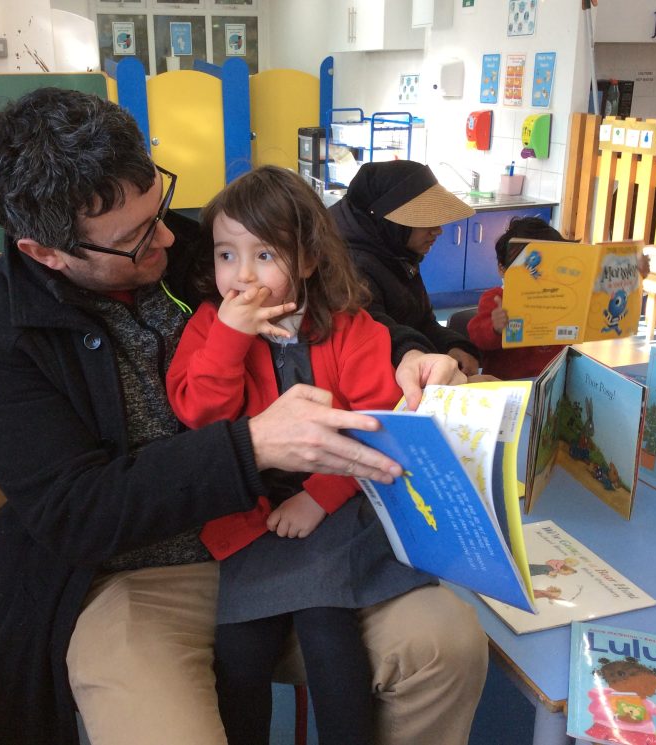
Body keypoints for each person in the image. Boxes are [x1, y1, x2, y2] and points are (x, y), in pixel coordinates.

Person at [0, 87, 488, 745]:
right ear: (46, 252)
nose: (168, 237)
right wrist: (251, 447)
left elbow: (334, 311)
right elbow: (76, 512)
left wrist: (412, 353)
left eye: (159, 206)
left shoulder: (205, 245)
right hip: (136, 577)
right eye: (135, 237)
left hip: (291, 534)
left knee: (448, 644)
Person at [166, 165, 438, 745]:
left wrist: (319, 498)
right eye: (226, 255)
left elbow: (374, 428)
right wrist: (231, 337)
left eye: (265, 255)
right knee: (240, 650)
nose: (242, 275)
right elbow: (203, 419)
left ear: (309, 259)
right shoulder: (209, 327)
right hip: (249, 518)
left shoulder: (352, 328)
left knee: (328, 633)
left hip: (336, 507)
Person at [330, 160, 482, 376]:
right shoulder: (351, 267)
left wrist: (452, 345)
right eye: (425, 220)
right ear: (389, 223)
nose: (437, 230)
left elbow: (422, 321)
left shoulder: (396, 252)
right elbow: (378, 335)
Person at [466, 216, 568, 379]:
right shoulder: (495, 298)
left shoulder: (558, 295)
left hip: (550, 379)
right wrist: (495, 327)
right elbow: (477, 337)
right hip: (504, 383)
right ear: (502, 269)